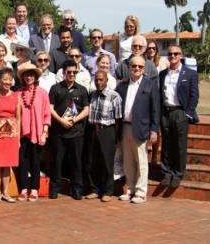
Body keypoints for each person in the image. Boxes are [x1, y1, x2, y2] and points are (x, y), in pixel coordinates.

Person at [116, 56, 160, 204]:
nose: (136, 69)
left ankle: (141, 192)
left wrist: (154, 130)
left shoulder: (150, 85)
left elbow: (155, 109)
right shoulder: (122, 85)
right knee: (127, 160)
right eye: (134, 66)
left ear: (144, 69)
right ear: (129, 67)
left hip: (141, 128)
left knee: (141, 161)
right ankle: (130, 189)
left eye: (140, 67)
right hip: (125, 127)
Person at [49, 59, 89, 200]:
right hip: (59, 132)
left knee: (76, 162)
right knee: (57, 161)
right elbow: (50, 108)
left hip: (76, 132)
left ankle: (76, 189)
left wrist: (74, 120)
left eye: (74, 72)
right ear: (63, 73)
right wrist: (61, 120)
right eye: (69, 72)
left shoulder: (82, 89)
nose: (71, 74)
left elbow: (86, 109)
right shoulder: (55, 88)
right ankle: (54, 188)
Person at [159, 45, 199, 188]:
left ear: (181, 55)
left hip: (180, 112)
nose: (173, 56)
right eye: (170, 54)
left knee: (180, 145)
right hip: (166, 112)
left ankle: (177, 174)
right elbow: (159, 94)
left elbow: (194, 96)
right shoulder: (162, 74)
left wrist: (188, 113)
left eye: (176, 54)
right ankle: (166, 172)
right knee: (167, 144)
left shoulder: (190, 74)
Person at [85, 71, 123, 202]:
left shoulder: (114, 96)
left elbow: (118, 119)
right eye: (96, 80)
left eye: (101, 80)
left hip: (107, 131)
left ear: (107, 80)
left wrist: (115, 136)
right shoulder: (92, 95)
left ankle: (108, 191)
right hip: (93, 131)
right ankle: (94, 189)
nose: (99, 82)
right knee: (92, 162)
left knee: (107, 163)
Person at [17, 63, 51, 202]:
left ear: (35, 76)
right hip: (22, 133)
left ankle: (35, 188)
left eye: (31, 74)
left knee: (36, 162)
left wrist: (44, 132)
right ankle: (24, 188)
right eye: (26, 75)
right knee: (23, 162)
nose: (29, 77)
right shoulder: (18, 93)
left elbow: (47, 113)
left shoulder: (42, 92)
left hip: (37, 133)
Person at [0, 68, 21, 203]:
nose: (7, 82)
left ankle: (6, 192)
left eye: (10, 79)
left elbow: (18, 118)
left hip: (12, 133)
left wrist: (18, 137)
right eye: (5, 79)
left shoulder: (16, 96)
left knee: (8, 164)